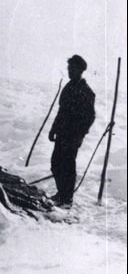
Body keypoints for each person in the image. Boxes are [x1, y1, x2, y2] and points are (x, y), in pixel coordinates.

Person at [48, 55, 95, 208]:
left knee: (68, 165)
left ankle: (67, 198)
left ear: (80, 70)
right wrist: (53, 129)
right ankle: (61, 193)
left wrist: (80, 134)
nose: (69, 71)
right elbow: (61, 112)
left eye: (72, 68)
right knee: (56, 163)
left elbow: (90, 116)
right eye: (69, 68)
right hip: (62, 133)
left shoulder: (86, 91)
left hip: (73, 135)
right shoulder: (68, 87)